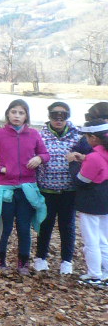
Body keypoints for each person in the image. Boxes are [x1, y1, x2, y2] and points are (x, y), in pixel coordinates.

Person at [0, 99, 49, 274]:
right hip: (5, 188)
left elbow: (45, 154)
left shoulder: (34, 134)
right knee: (4, 227)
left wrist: (39, 158)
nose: (17, 116)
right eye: (14, 112)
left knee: (24, 227)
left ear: (26, 116)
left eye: (21, 113)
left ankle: (23, 263)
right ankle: (0, 262)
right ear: (8, 114)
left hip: (27, 189)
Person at [34, 101, 84, 275]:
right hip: (46, 190)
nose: (58, 119)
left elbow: (92, 155)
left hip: (69, 190)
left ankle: (67, 261)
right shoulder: (40, 136)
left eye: (63, 115)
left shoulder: (78, 136)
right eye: (55, 115)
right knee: (45, 224)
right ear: (49, 116)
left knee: (67, 226)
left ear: (68, 117)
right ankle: (40, 258)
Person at [74, 102, 108, 289]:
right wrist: (84, 159)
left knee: (91, 240)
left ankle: (94, 274)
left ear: (94, 138)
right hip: (105, 202)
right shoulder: (102, 154)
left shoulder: (94, 157)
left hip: (91, 203)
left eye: (87, 137)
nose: (86, 140)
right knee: (104, 239)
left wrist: (74, 163)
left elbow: (81, 180)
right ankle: (106, 272)